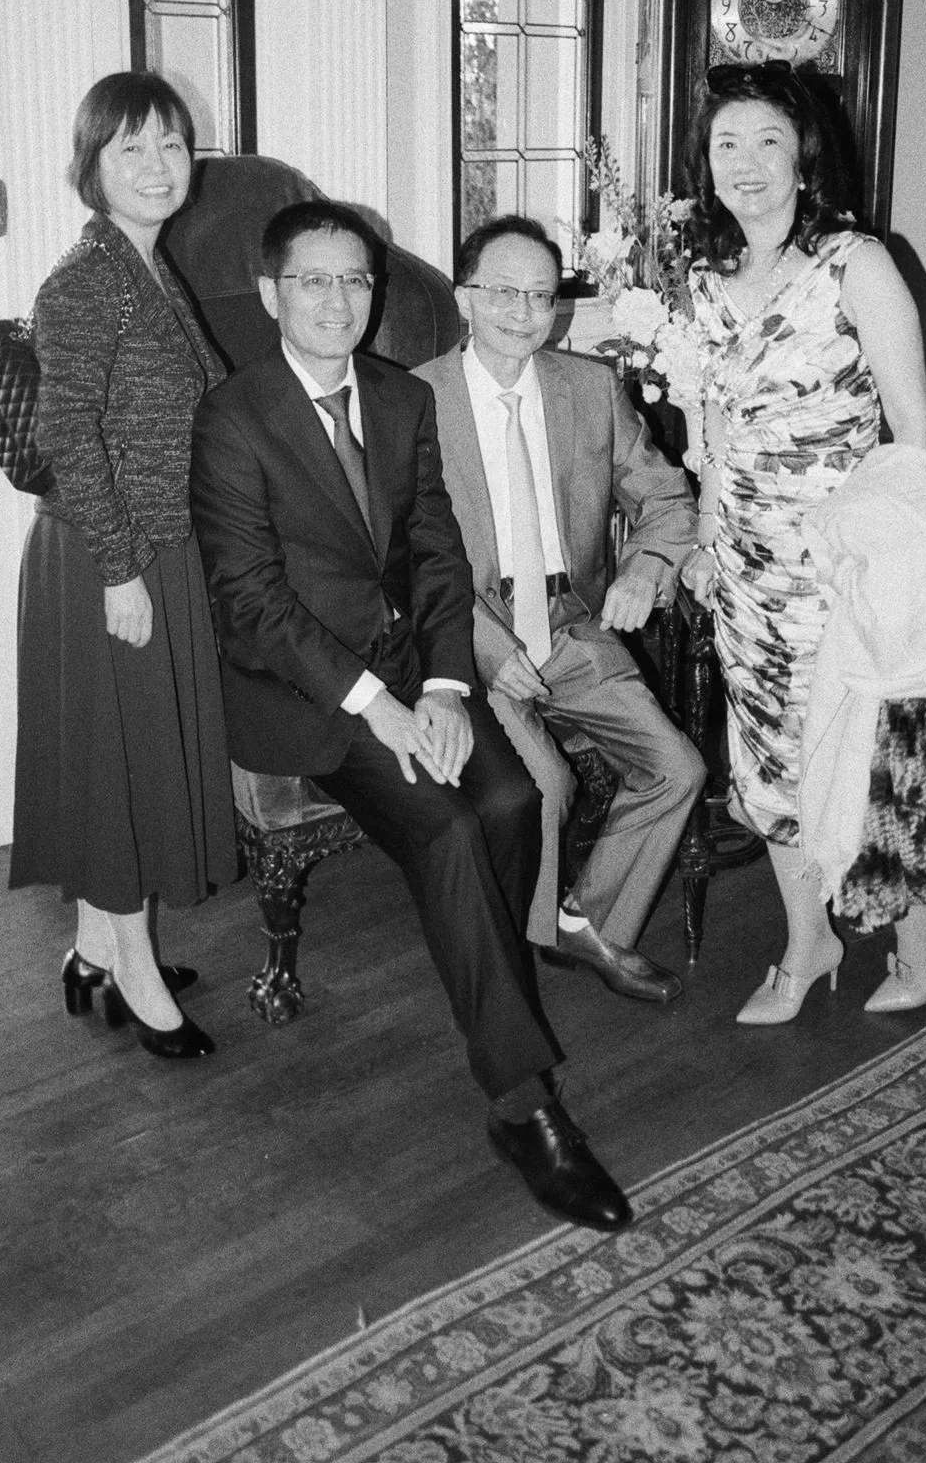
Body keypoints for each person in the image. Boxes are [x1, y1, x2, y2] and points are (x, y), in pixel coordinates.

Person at [190, 200, 631, 1231]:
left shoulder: (395, 397)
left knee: (515, 798)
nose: (337, 299)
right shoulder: (233, 415)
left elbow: (436, 557)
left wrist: (439, 687)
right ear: (271, 295)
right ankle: (523, 1104)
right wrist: (381, 706)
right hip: (308, 693)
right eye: (313, 280)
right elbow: (251, 600)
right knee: (445, 824)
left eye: (355, 280)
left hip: (411, 673)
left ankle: (491, 980)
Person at [681, 62, 926, 1023]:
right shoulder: (701, 285)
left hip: (840, 569)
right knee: (766, 764)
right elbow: (711, 439)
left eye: (768, 141)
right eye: (728, 144)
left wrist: (892, 569)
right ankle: (809, 944)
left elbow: (913, 439)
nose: (747, 163)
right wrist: (707, 542)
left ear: (805, 157)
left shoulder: (858, 264)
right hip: (747, 575)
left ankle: (920, 926)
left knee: (866, 762)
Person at [417, 216, 704, 1006]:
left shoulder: (587, 387)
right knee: (543, 785)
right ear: (465, 297)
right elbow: (394, 556)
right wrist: (478, 646)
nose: (524, 312)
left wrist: (647, 570)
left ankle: (583, 922)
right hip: (467, 627)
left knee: (677, 768)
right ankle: (510, 965)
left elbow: (667, 497)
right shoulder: (413, 399)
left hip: (570, 621)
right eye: (504, 292)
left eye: (541, 296)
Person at [10, 72, 235, 1060]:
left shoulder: (151, 267)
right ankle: (138, 976)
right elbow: (71, 439)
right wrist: (119, 572)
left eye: (173, 145)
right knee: (124, 768)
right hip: (111, 556)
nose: (157, 165)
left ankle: (97, 951)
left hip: (154, 544)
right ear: (91, 166)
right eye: (132, 148)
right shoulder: (83, 282)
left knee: (122, 757)